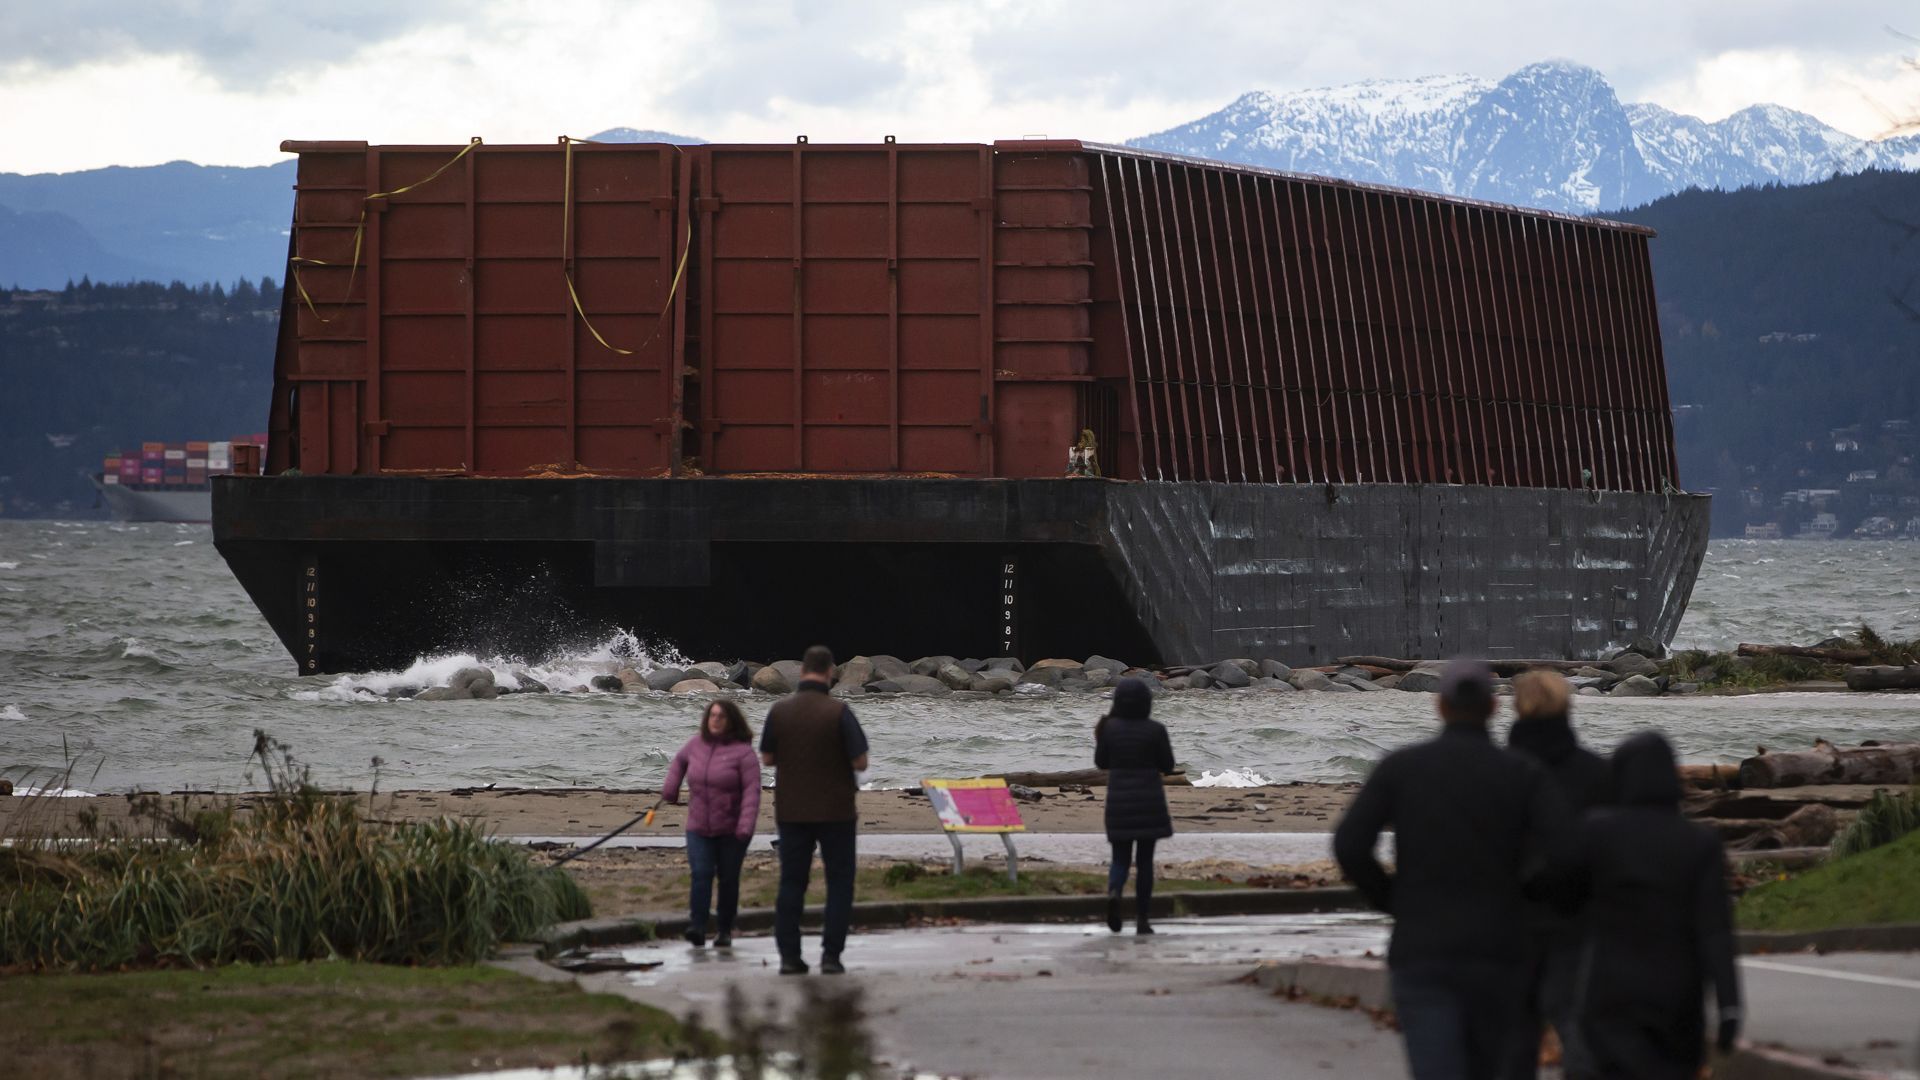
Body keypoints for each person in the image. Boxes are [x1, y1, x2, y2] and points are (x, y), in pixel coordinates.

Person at [1333, 659, 1565, 1080]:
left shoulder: (1403, 767)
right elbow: (1564, 853)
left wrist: (1393, 900)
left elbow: (1350, 844)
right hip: (1501, 949)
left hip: (1423, 947)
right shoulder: (1523, 773)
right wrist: (1525, 898)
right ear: (1494, 707)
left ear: (1440, 706)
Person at [1557, 732, 1741, 1080]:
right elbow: (1715, 930)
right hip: (1678, 994)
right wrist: (1729, 1005)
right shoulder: (1700, 842)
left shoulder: (1598, 832)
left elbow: (1566, 899)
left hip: (1610, 990)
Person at [1504, 671, 1614, 1079]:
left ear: (1517, 707)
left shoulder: (1498, 772)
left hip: (1509, 920)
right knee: (1577, 1027)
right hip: (1579, 918)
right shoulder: (1599, 773)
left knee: (1511, 1039)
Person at [760, 644, 869, 975]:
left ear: (803, 670)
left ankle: (789, 957)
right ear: (830, 672)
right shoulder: (839, 712)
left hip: (792, 810)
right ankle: (831, 956)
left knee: (792, 883)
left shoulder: (780, 711)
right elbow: (860, 761)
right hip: (836, 811)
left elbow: (767, 758)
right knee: (839, 884)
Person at [662, 698, 761, 949]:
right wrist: (670, 789)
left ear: (731, 721)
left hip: (733, 829)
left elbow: (752, 793)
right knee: (701, 874)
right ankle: (697, 926)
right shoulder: (695, 744)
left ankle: (724, 930)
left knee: (728, 879)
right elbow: (679, 762)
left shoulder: (743, 754)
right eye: (712, 715)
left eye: (721, 716)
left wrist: (745, 825)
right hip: (699, 827)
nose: (715, 720)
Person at [1094, 676, 1175, 935]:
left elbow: (1101, 762)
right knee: (1145, 863)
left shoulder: (1109, 729)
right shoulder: (1156, 730)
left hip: (1118, 802)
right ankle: (1142, 918)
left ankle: (1115, 891)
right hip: (1149, 802)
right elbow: (1168, 765)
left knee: (1120, 859)